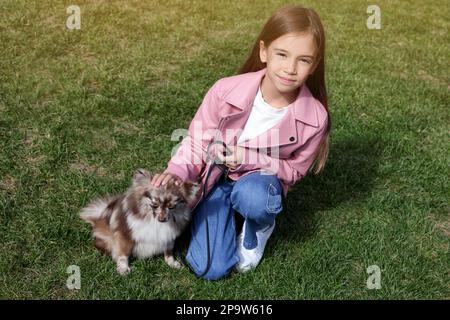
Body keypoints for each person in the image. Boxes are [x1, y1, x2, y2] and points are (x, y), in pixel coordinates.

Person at [151, 4, 331, 280]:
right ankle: (224, 212)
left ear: (314, 63)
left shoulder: (315, 118)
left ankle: (258, 224)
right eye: (281, 54)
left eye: (303, 60)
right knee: (210, 268)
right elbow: (198, 141)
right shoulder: (225, 89)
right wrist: (178, 171)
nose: (290, 68)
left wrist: (248, 157)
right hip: (214, 180)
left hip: (260, 184)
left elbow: (294, 172)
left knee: (253, 196)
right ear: (264, 51)